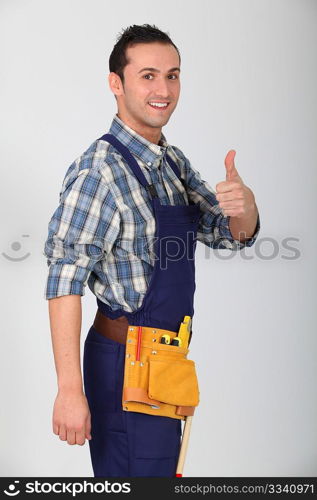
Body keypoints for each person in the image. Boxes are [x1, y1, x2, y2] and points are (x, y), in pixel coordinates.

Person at [43, 24, 260, 477]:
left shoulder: (173, 163)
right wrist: (69, 389)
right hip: (124, 368)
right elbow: (65, 279)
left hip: (166, 367)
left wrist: (246, 207)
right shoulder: (99, 172)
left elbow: (228, 234)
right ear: (116, 84)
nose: (163, 89)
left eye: (172, 75)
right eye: (148, 75)